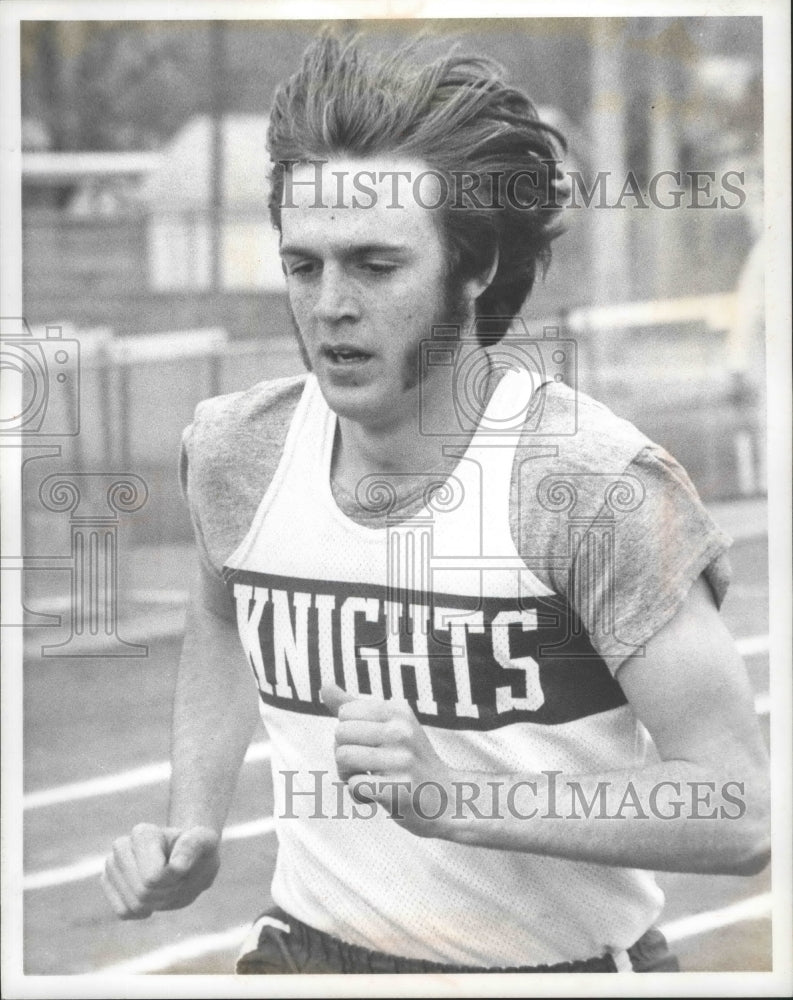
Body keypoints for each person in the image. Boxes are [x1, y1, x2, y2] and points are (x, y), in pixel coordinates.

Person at [101, 33, 770, 975]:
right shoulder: (232, 451)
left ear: (476, 264)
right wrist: (193, 820)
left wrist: (457, 800)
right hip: (304, 953)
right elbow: (222, 613)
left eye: (376, 265)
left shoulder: (592, 488)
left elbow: (737, 808)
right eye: (304, 266)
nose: (331, 304)